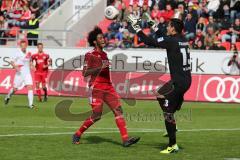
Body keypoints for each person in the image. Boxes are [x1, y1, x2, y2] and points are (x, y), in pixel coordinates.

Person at [128, 12, 192, 153]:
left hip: (179, 82)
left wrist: (137, 28)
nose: (167, 28)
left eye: (168, 27)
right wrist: (153, 25)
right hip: (184, 79)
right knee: (159, 93)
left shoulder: (171, 41)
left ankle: (172, 145)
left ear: (173, 29)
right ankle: (173, 126)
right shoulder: (182, 39)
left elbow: (150, 41)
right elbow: (163, 37)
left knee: (168, 114)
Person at [72, 26, 140, 147]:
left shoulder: (104, 54)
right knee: (97, 115)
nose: (103, 39)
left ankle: (125, 140)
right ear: (94, 41)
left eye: (103, 37)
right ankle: (77, 133)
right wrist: (100, 67)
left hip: (108, 86)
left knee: (118, 110)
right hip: (96, 87)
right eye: (100, 38)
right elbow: (84, 73)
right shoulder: (90, 54)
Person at [4, 40, 37, 109]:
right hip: (20, 72)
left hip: (27, 72)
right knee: (15, 89)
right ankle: (8, 96)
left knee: (30, 87)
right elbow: (11, 61)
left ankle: (31, 105)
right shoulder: (17, 53)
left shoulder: (29, 53)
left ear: (26, 46)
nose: (23, 47)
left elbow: (30, 61)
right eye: (22, 46)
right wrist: (15, 66)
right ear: (20, 46)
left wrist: (32, 66)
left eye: (24, 46)